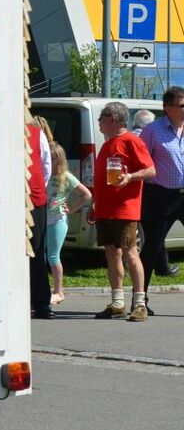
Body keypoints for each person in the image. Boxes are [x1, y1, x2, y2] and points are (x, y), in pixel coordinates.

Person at [86, 101, 155, 321]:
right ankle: (117, 303)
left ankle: (140, 304)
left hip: (124, 209)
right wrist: (94, 203)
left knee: (130, 253)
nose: (99, 122)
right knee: (111, 252)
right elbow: (100, 180)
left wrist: (130, 177)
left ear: (112, 119)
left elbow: (150, 170)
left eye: (101, 118)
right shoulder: (107, 144)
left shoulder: (132, 141)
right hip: (105, 208)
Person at [138, 86, 184, 313]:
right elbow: (140, 162)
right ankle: (140, 300)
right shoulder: (152, 131)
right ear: (168, 108)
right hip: (160, 196)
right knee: (152, 248)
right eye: (182, 105)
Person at [46, 142, 91, 303]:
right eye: (47, 157)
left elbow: (86, 194)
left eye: (52, 158)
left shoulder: (66, 177)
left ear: (59, 160)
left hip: (57, 221)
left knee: (53, 256)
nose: (49, 161)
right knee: (40, 257)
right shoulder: (44, 173)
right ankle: (42, 290)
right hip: (42, 220)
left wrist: (72, 209)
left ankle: (59, 292)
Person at [27, 117, 52, 317]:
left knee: (36, 251)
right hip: (15, 200)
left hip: (34, 200)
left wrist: (37, 188)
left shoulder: (36, 134)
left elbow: (46, 167)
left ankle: (41, 302)